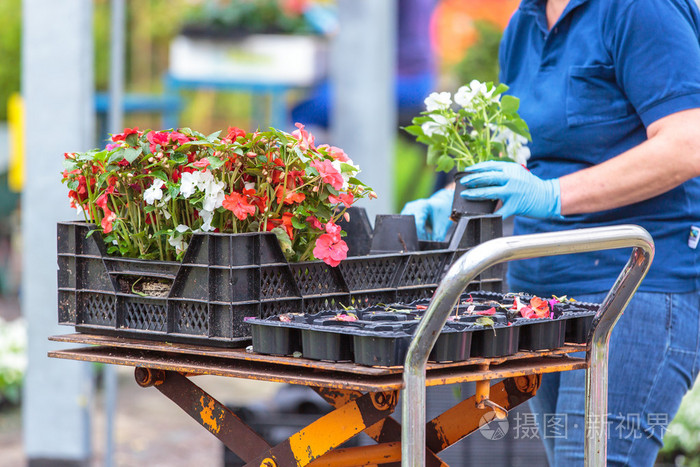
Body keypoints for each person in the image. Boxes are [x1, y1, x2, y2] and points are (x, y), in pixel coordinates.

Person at [403, 0, 700, 465]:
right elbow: (527, 149)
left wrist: (553, 194)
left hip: (635, 287)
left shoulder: (640, 9)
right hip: (543, 293)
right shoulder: (526, 20)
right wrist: (457, 196)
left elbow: (688, 143)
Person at [291, 0, 437, 129]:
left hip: (398, 80)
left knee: (301, 116)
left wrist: (311, 11)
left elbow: (352, 30)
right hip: (420, 79)